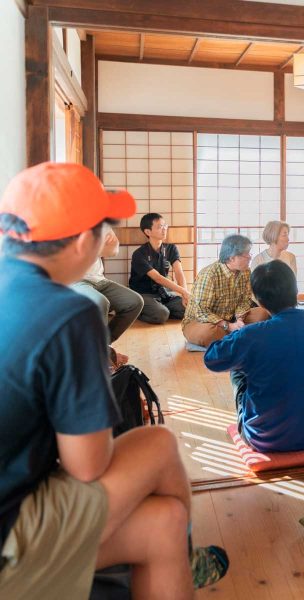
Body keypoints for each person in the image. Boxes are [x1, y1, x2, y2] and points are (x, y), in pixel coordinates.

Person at [0, 163, 227, 599]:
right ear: (86, 240)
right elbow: (87, 464)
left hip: (17, 506)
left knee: (163, 524)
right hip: (12, 533)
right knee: (158, 443)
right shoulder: (70, 311)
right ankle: (186, 554)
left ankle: (182, 553)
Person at [203, 261, 304, 452]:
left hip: (260, 437)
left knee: (239, 371)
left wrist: (235, 335)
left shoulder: (251, 335)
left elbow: (212, 359)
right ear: (296, 290)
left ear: (259, 300)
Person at [182, 234, 269, 348]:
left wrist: (239, 319)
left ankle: (232, 337)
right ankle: (238, 336)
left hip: (231, 318)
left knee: (263, 312)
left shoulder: (246, 271)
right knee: (208, 333)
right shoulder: (209, 275)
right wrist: (227, 326)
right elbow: (201, 312)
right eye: (246, 254)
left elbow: (245, 300)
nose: (250, 257)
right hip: (201, 322)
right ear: (232, 257)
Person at [72, 225, 144, 343]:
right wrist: (100, 247)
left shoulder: (103, 224)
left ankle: (104, 345)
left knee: (134, 302)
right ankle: (101, 351)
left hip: (99, 279)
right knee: (100, 302)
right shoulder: (68, 223)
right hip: (76, 280)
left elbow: (113, 251)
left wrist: (94, 248)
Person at [128, 212, 190, 324]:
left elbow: (179, 272)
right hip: (144, 294)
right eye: (160, 227)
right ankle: (139, 311)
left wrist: (185, 294)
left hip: (164, 294)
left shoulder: (171, 248)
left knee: (190, 308)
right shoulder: (139, 254)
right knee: (162, 315)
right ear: (148, 232)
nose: (164, 229)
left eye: (165, 225)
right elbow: (158, 278)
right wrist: (183, 292)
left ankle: (163, 309)